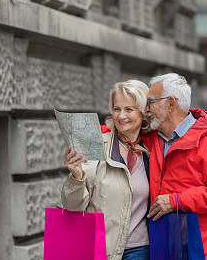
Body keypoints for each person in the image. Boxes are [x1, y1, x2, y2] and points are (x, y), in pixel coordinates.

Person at [141, 73, 207, 260]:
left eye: (150, 102)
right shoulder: (151, 137)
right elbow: (120, 129)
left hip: (205, 250)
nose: (146, 109)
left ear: (170, 104)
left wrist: (176, 201)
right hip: (166, 245)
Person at [61, 80, 151, 260]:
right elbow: (71, 206)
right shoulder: (96, 145)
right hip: (98, 249)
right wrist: (76, 177)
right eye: (116, 109)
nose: (121, 116)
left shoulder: (152, 150)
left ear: (143, 113)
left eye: (129, 109)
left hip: (140, 248)